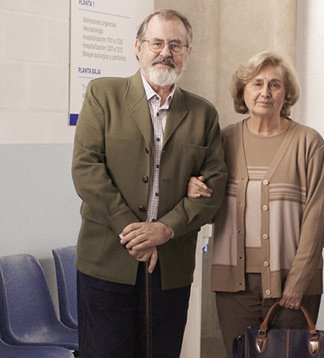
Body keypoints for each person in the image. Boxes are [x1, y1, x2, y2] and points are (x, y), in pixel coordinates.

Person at [71, 8, 227, 358]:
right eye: (156, 42)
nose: (165, 52)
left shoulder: (203, 114)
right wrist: (133, 231)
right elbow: (86, 169)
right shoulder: (103, 95)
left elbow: (214, 189)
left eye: (176, 44)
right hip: (107, 261)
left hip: (169, 266)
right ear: (138, 47)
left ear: (188, 52)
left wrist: (164, 230)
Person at [188, 51, 324, 358]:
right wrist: (192, 186)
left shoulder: (309, 143)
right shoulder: (223, 140)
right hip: (234, 286)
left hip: (292, 283)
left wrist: (298, 280)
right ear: (243, 91)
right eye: (257, 84)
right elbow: (204, 195)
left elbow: (317, 216)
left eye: (275, 85)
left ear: (287, 93)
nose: (265, 92)